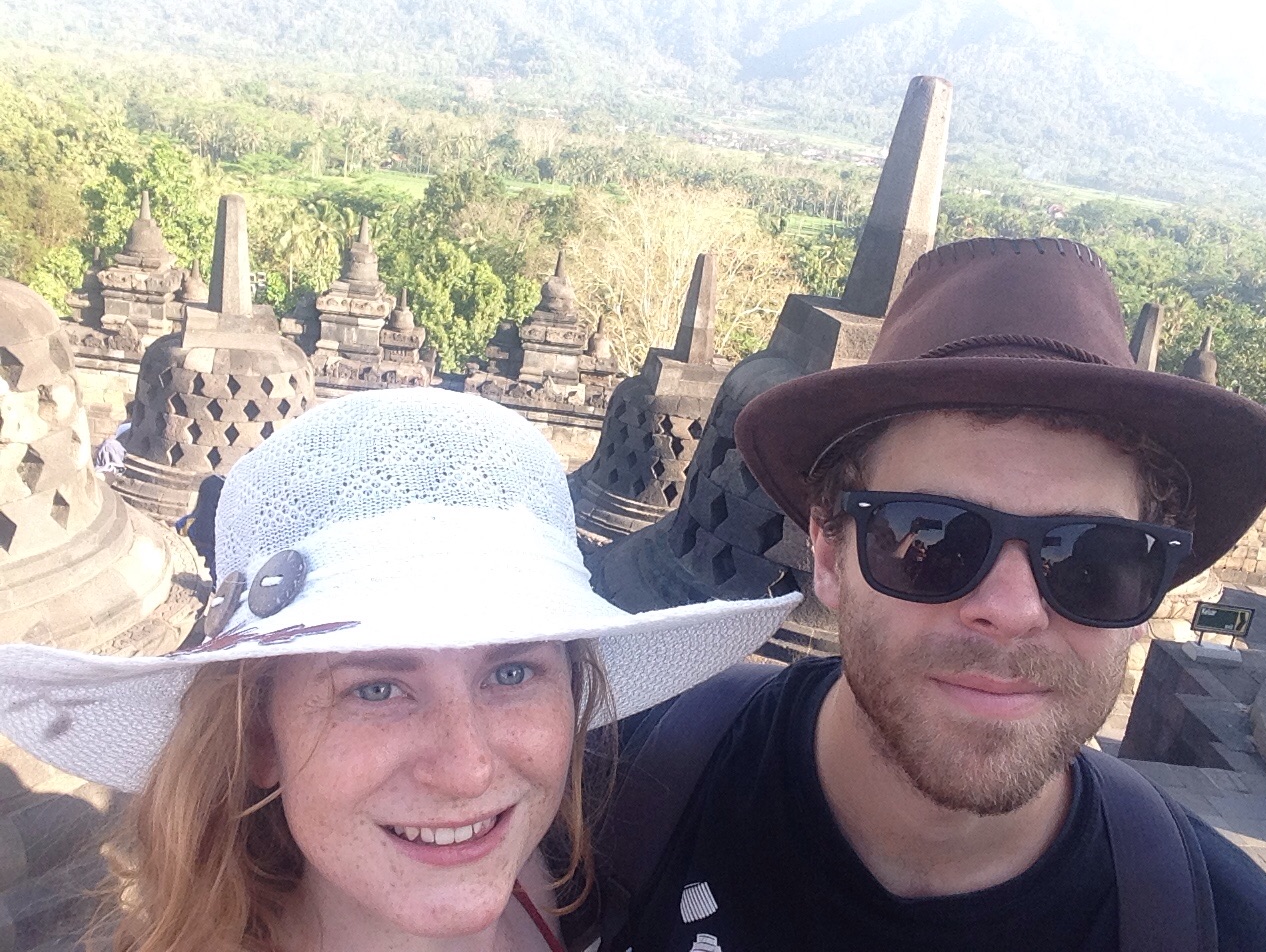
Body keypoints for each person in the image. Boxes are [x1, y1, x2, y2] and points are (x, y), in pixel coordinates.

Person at [602, 238, 1266, 951]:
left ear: (1153, 588)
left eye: (1093, 560)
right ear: (828, 552)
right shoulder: (616, 805)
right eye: (932, 541)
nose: (1012, 610)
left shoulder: (1222, 931)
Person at [0, 388, 798, 952]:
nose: (466, 768)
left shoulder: (544, 891)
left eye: (514, 672)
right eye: (377, 689)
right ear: (257, 736)